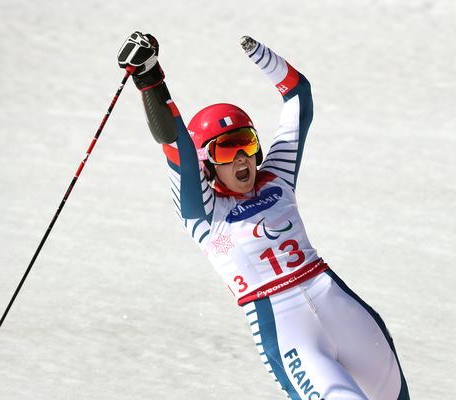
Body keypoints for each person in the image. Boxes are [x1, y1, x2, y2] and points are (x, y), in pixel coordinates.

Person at [117, 31, 410, 400]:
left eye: (247, 144)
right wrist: (149, 78)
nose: (241, 158)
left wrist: (261, 55)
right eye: (226, 150)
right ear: (207, 162)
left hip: (341, 307)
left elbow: (298, 95)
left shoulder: (278, 178)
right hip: (290, 332)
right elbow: (177, 148)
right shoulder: (204, 214)